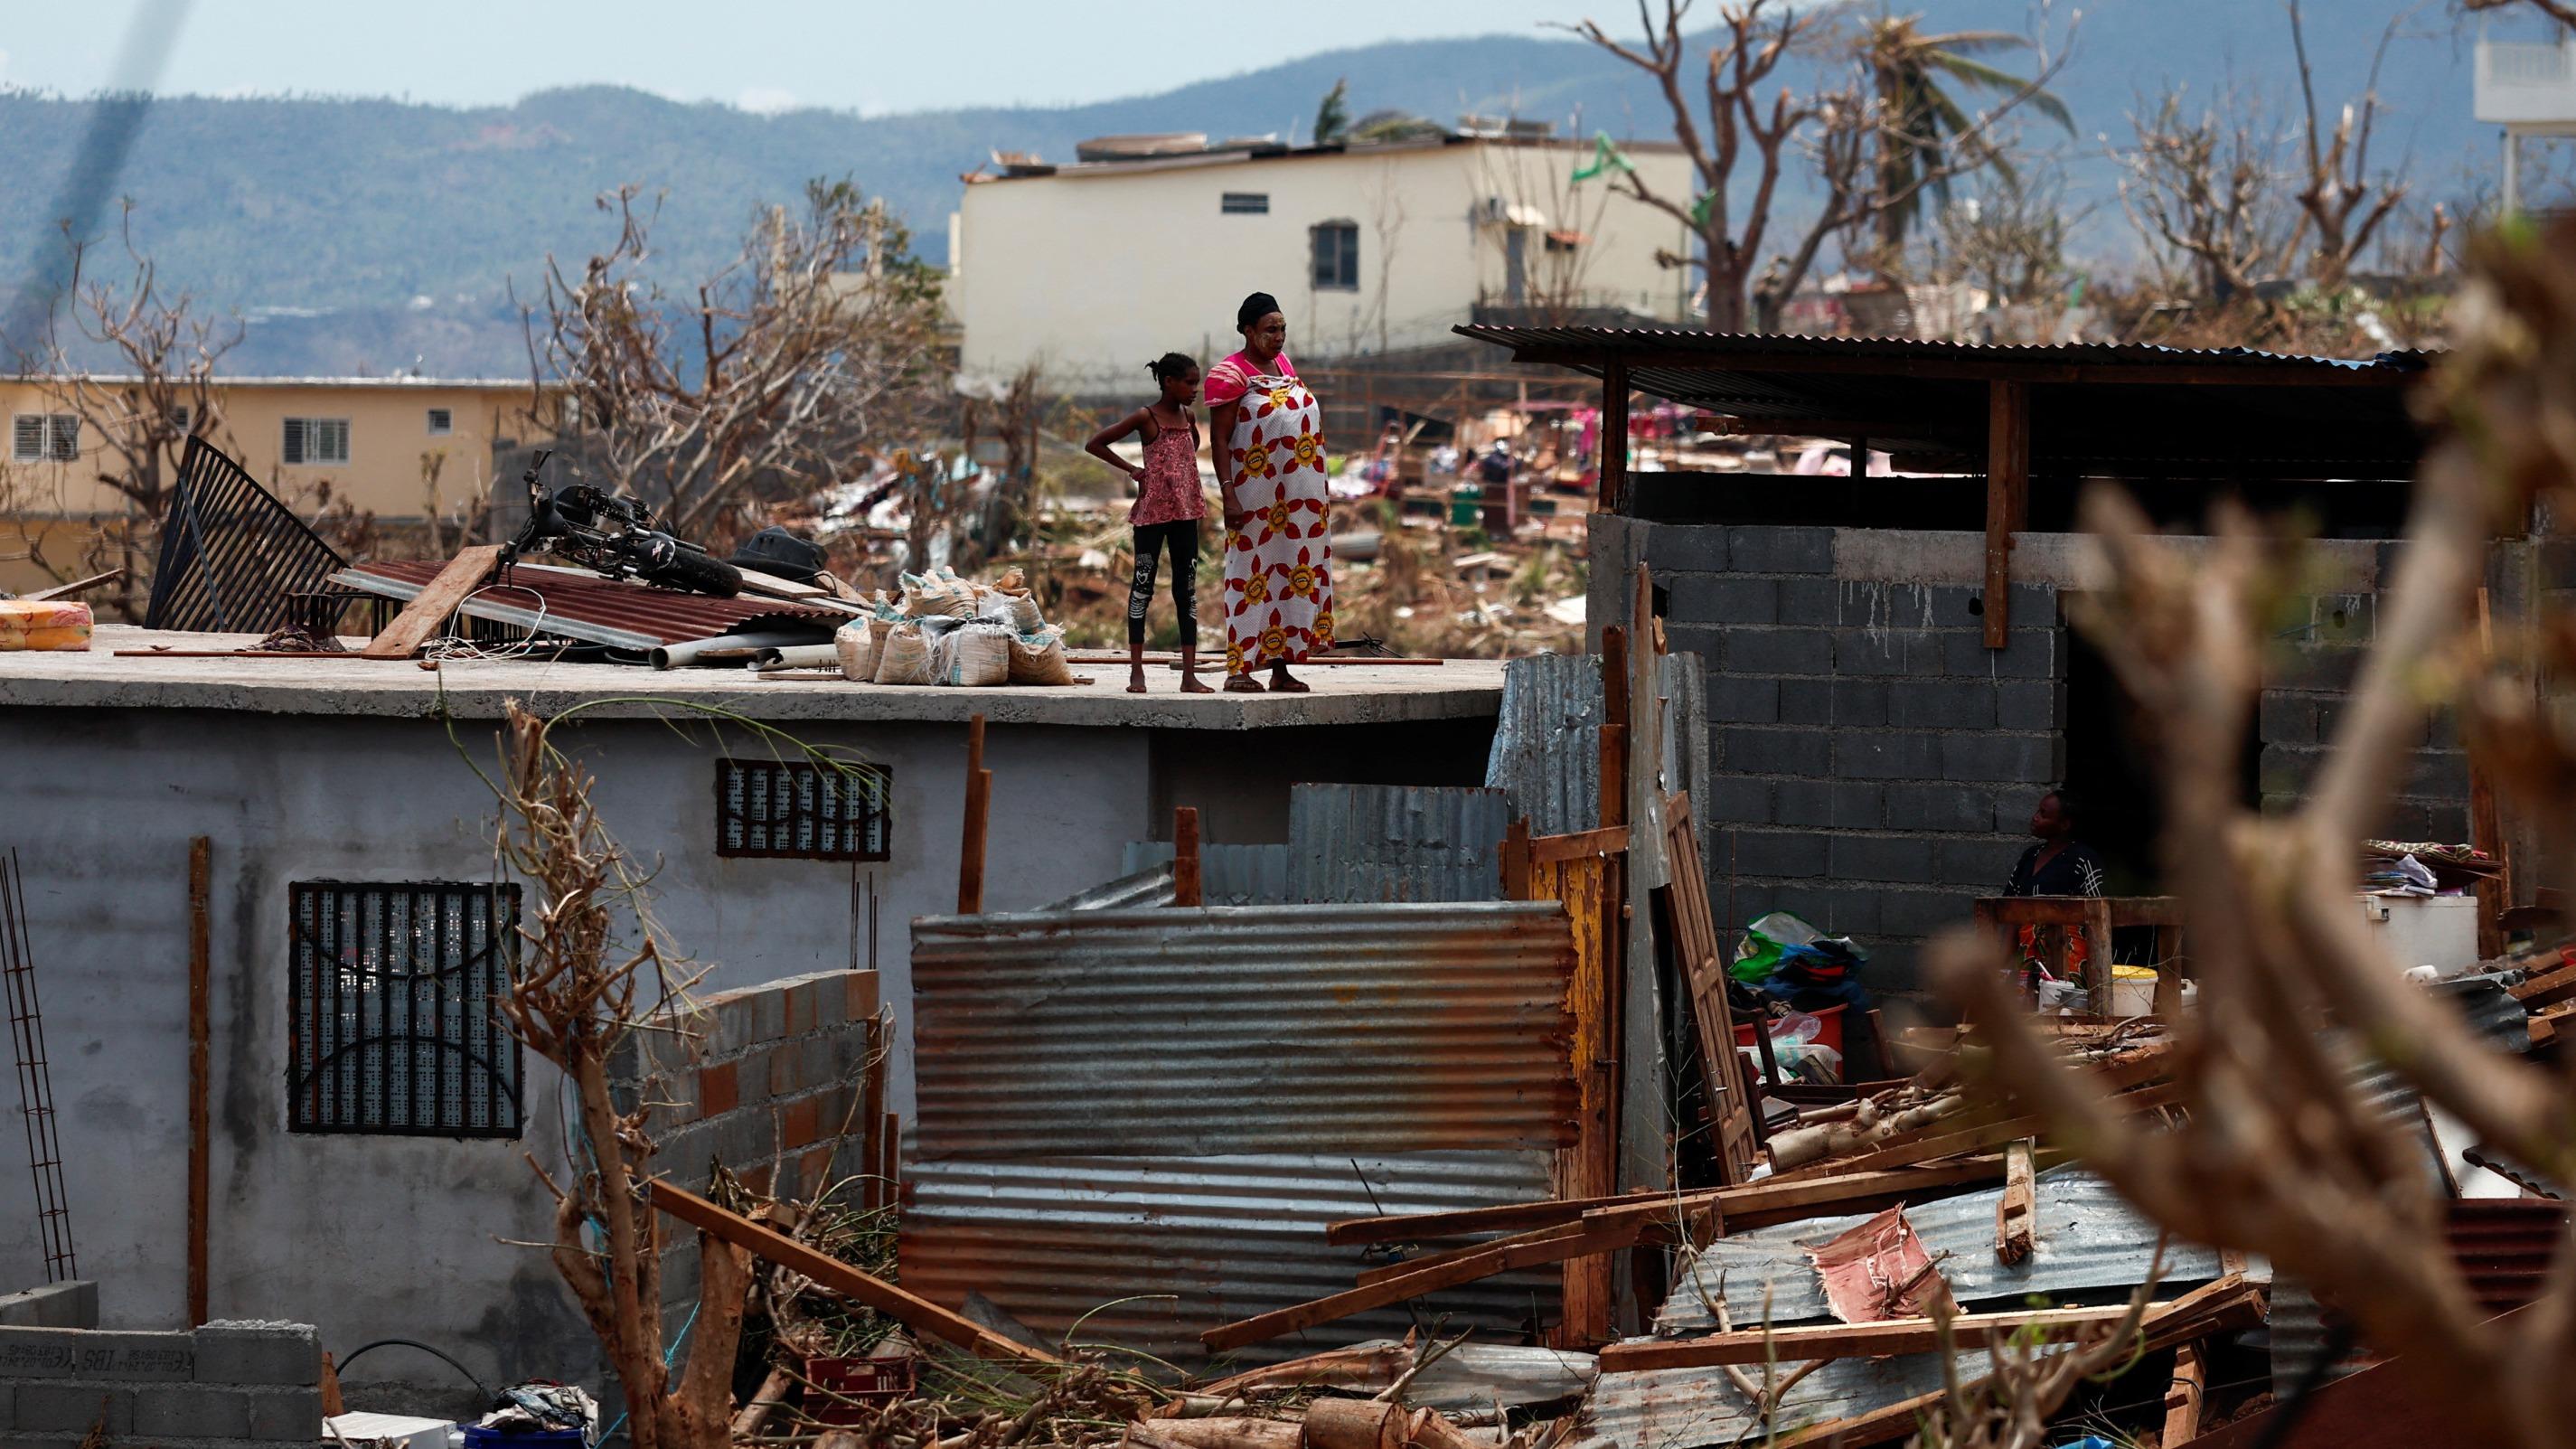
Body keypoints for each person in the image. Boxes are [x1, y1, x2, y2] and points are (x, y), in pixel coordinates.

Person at [1205, 291, 1334, 694]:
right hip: (1255, 498)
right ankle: (1239, 668)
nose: (1278, 337)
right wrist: (1229, 494)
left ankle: (1283, 666)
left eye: (1282, 329)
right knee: (1250, 575)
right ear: (1248, 331)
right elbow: (1221, 439)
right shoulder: (1229, 375)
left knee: (1293, 574)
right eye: (1269, 330)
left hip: (1299, 502)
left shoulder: (1282, 365)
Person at [1084, 353, 1213, 695]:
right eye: (1188, 382)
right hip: (1152, 515)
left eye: (1196, 382)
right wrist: (1133, 470)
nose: (1194, 389)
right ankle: (1136, 673)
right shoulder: (1146, 417)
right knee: (1142, 588)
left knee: (1186, 592)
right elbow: (1095, 443)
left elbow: (1191, 451)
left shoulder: (1189, 417)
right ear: (1168, 382)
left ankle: (1189, 676)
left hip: (1186, 514)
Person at [2002, 787, 2107, 993]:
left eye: (2044, 814)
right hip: (2025, 960)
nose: (2035, 818)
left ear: (2064, 824)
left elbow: (2099, 918)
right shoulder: (2030, 857)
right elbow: (2009, 912)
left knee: (2060, 1011)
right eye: (2037, 811)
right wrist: (2003, 961)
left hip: (2065, 963)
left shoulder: (2082, 860)